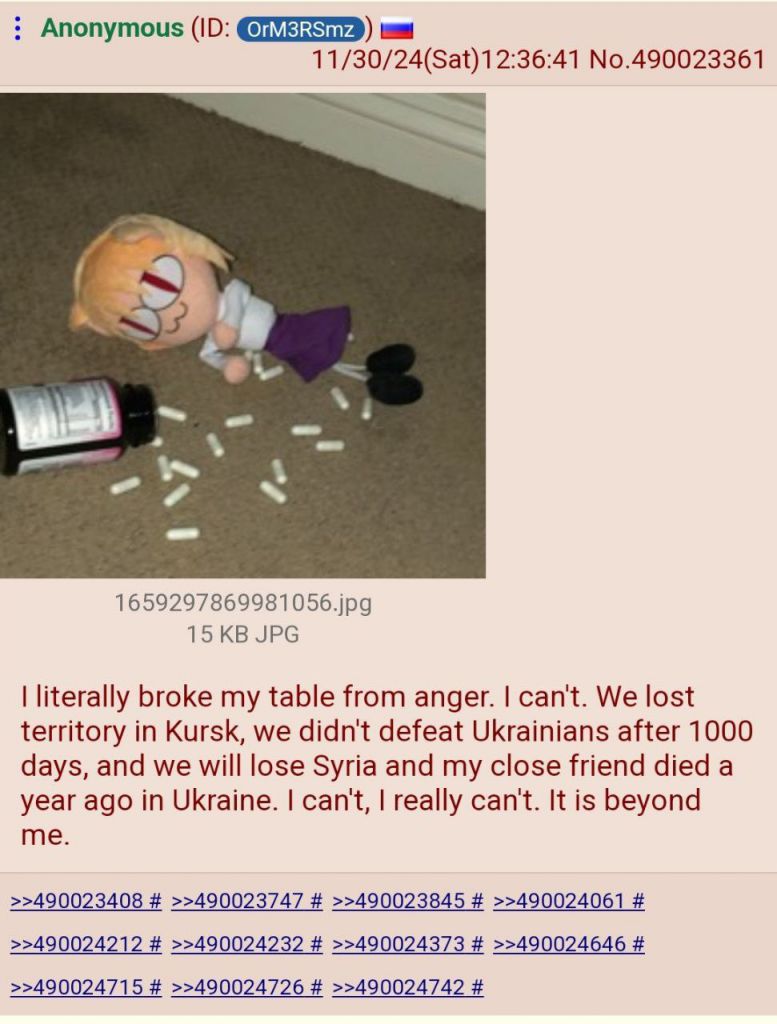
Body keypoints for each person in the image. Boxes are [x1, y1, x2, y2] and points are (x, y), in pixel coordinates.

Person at [70, 213, 422, 404]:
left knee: (319, 344)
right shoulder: (210, 339)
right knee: (321, 357)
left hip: (282, 327)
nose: (175, 315)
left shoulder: (229, 298)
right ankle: (373, 375)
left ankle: (374, 370)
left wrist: (231, 323)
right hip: (274, 344)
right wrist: (228, 364)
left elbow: (239, 289)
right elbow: (210, 355)